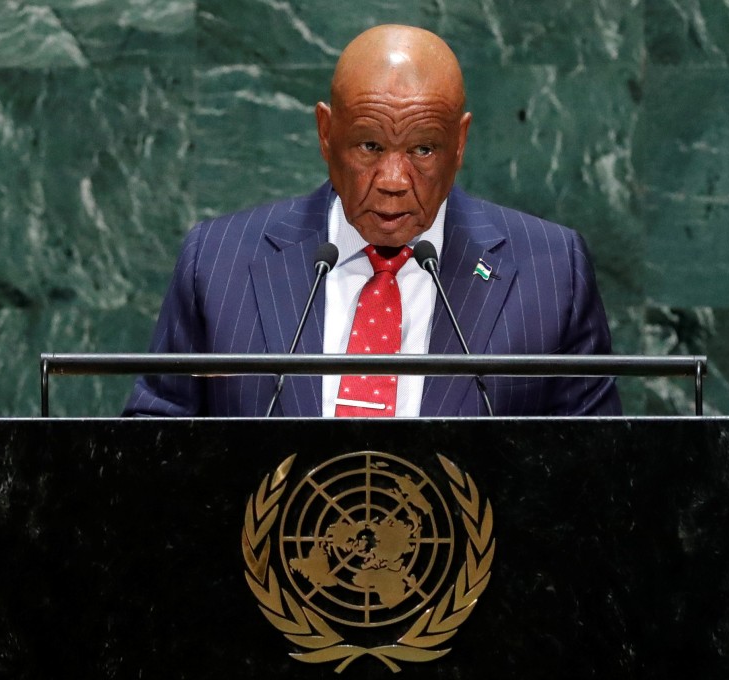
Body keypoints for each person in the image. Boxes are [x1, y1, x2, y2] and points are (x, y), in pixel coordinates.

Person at [124, 24, 621, 417]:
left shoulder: (552, 272)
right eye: (370, 146)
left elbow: (598, 475)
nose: (393, 179)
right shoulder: (218, 263)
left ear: (460, 142)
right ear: (325, 132)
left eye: (423, 149)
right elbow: (153, 454)